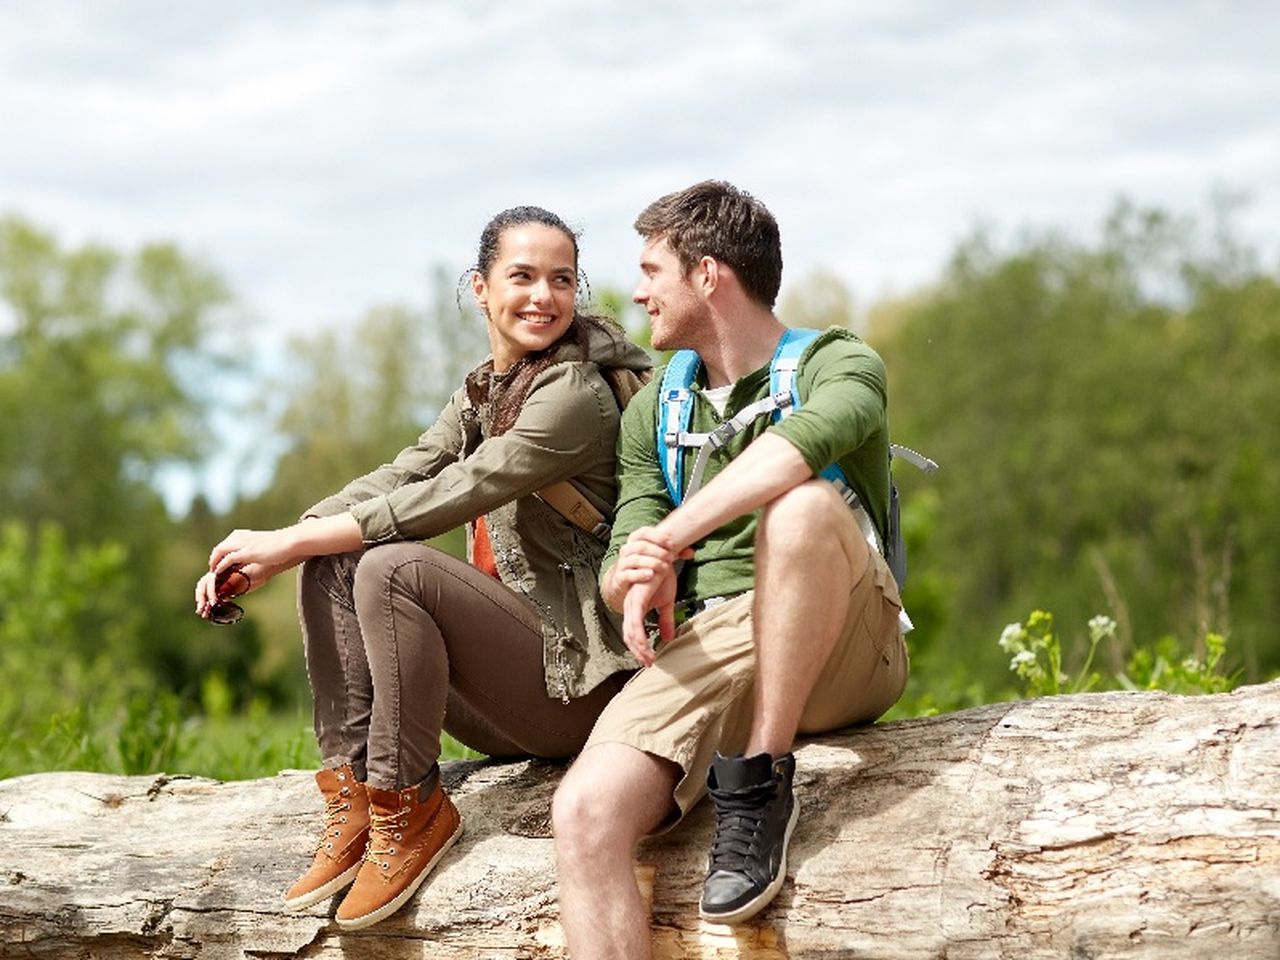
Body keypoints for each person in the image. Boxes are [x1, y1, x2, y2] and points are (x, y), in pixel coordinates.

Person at [194, 206, 651, 931]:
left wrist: (291, 545)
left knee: (394, 570)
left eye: (562, 280)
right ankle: (358, 796)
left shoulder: (574, 396)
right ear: (479, 287)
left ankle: (411, 812)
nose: (543, 296)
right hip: (522, 691)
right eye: (522, 276)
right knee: (334, 553)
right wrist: (282, 541)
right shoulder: (484, 391)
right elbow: (403, 473)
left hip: (587, 690)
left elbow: (450, 495)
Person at [551, 181, 910, 958]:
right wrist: (634, 579)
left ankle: (761, 781)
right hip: (713, 643)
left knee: (804, 507)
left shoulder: (839, 361)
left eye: (652, 270)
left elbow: (800, 450)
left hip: (846, 637)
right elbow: (629, 546)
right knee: (583, 814)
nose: (638, 292)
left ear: (708, 274)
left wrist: (675, 536)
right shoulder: (656, 410)